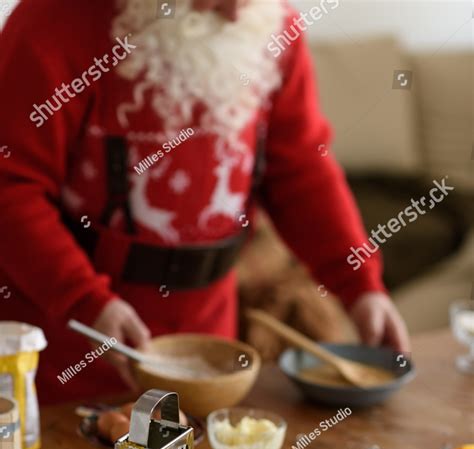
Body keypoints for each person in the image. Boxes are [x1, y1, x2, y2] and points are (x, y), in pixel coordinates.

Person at [0, 0, 409, 403]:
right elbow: (10, 188)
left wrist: (360, 286)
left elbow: (301, 171)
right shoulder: (51, 22)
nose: (236, 12)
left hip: (207, 345)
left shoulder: (269, 22)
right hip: (71, 347)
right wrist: (85, 301)